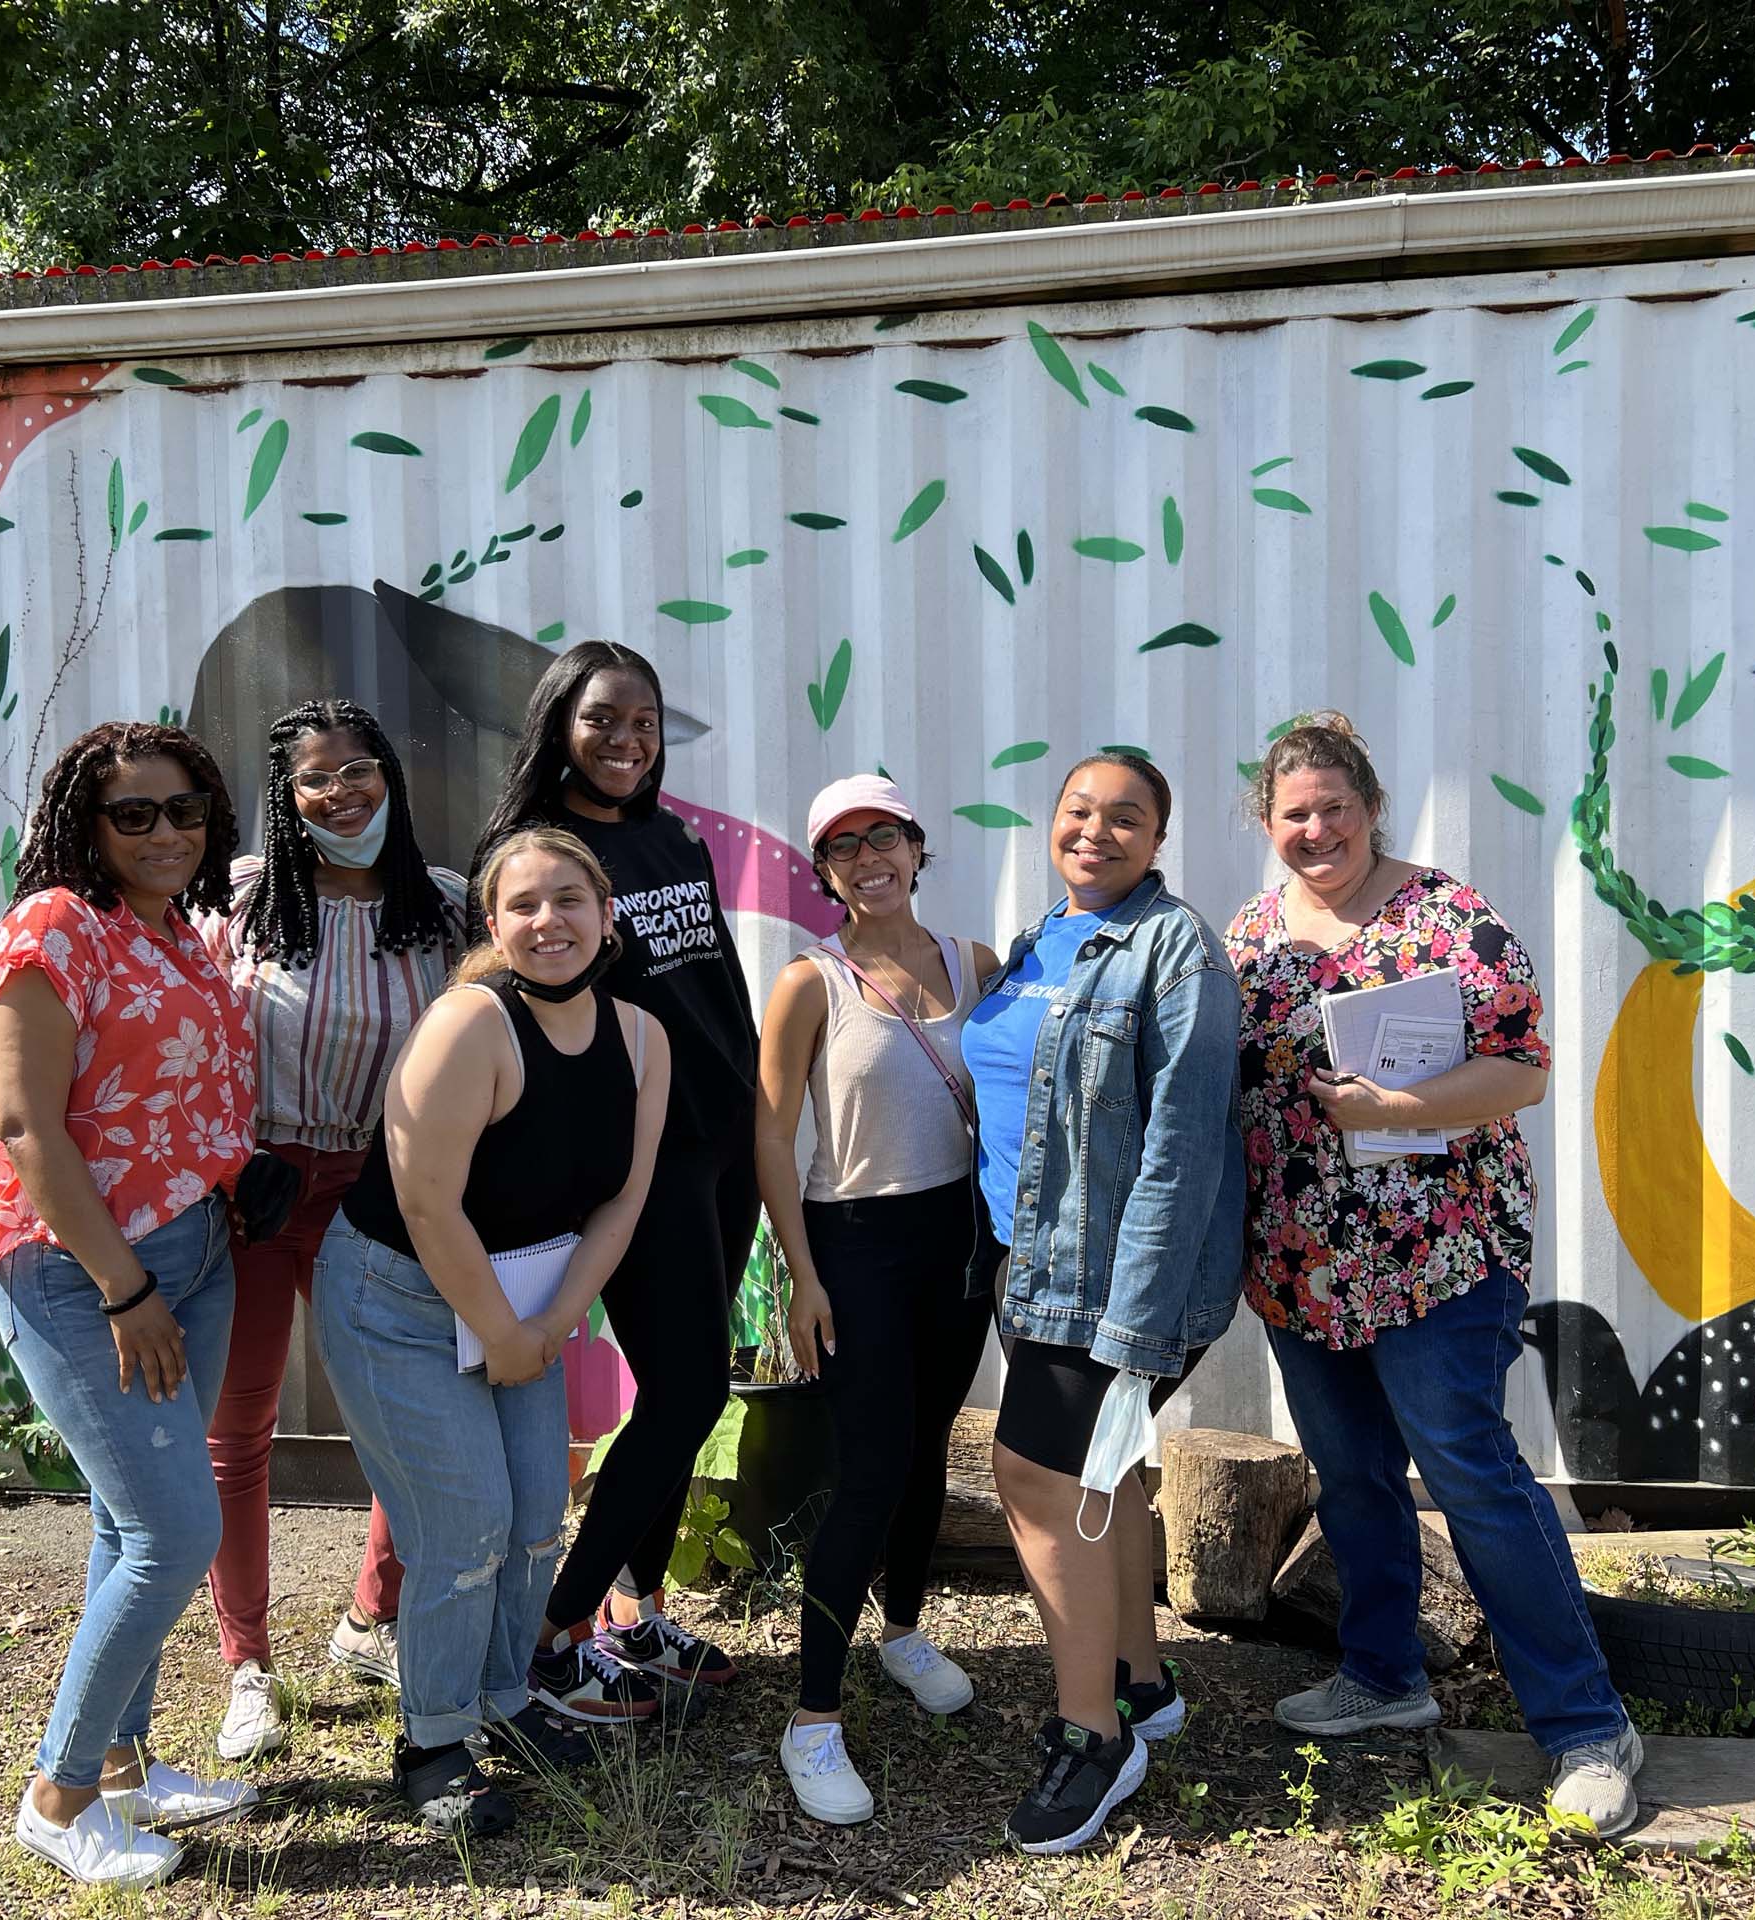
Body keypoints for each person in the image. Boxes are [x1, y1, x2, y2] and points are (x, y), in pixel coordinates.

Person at [1227, 713, 1643, 1836]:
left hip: (1440, 1251)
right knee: (1351, 1476)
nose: (1315, 830)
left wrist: (1393, 1110)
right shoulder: (1252, 934)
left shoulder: (1448, 915)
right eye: (1292, 814)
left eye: (1332, 808)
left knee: (1469, 1472)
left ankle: (1585, 1726)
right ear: (1265, 824)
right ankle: (1382, 1674)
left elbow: (1522, 1073)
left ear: (1369, 806)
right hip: (1305, 1262)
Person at [313, 826, 671, 1833]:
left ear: (608, 917)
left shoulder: (642, 1038)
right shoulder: (468, 1024)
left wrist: (551, 1324)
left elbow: (621, 1203)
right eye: (523, 904)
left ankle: (505, 1702)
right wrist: (504, 1331)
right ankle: (431, 1742)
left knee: (529, 1525)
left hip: (523, 1312)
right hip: (400, 1305)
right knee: (461, 1531)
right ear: (493, 923)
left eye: (569, 900)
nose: (547, 920)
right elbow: (428, 1207)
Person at [0, 721, 259, 1889]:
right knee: (172, 1532)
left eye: (185, 809)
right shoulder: (55, 928)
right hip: (82, 1271)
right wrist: (123, 1288)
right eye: (133, 813)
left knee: (124, 1518)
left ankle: (130, 1765)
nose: (164, 832)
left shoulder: (185, 937)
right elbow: (27, 1129)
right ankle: (60, 1794)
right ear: (84, 824)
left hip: (192, 1255)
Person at [958, 750, 1247, 1856]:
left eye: (1125, 818)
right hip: (1030, 1266)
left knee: (1033, 1476)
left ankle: (1091, 1737)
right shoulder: (1039, 940)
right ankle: (1137, 1682)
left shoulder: (1176, 952)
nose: (1097, 831)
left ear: (1158, 840)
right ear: (1052, 824)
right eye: (1079, 812)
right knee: (1102, 1473)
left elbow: (1180, 1153)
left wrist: (1130, 1327)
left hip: (1113, 1284)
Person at [466, 641, 759, 1719]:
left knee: (688, 1386)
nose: (627, 741)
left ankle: (638, 1612)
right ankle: (555, 1631)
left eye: (644, 721)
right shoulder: (537, 854)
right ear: (558, 725)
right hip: (649, 1155)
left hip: (724, 1144)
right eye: (602, 720)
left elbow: (713, 978)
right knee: (686, 1394)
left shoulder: (670, 835)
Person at [198, 700, 473, 1762]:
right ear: (286, 794)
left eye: (359, 769)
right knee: (238, 1433)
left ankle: (372, 1620)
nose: (341, 792)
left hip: (382, 1188)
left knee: (412, 1419)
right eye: (316, 779)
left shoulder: (444, 909)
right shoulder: (239, 901)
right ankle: (247, 1666)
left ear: (391, 777)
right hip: (254, 1188)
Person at [751, 776, 999, 1825]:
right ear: (826, 873)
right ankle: (811, 1718)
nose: (868, 858)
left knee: (931, 1445)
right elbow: (770, 1133)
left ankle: (901, 1630)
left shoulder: (977, 964)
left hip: (960, 1238)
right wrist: (802, 1277)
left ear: (915, 845)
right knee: (867, 1471)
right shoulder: (811, 981)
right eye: (844, 848)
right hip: (855, 1244)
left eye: (883, 837)